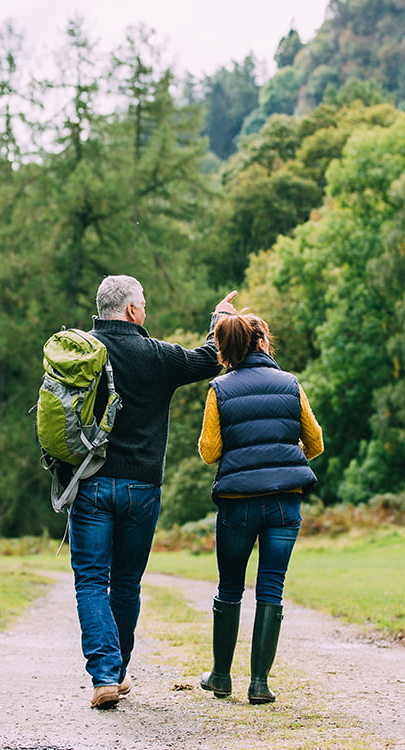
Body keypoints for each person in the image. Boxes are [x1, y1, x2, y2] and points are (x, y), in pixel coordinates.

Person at [71, 275, 238, 710]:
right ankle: (117, 671)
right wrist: (219, 317)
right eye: (142, 305)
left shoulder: (79, 353)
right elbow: (209, 358)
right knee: (125, 583)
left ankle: (105, 675)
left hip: (89, 485)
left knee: (90, 581)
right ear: (130, 311)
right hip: (142, 488)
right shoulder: (155, 355)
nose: (145, 311)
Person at [196, 312, 322, 705]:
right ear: (263, 341)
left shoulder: (220, 388)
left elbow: (210, 451)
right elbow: (315, 442)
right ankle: (260, 684)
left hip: (237, 506)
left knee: (230, 587)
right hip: (285, 503)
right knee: (272, 587)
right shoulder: (290, 385)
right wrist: (286, 455)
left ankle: (220, 676)